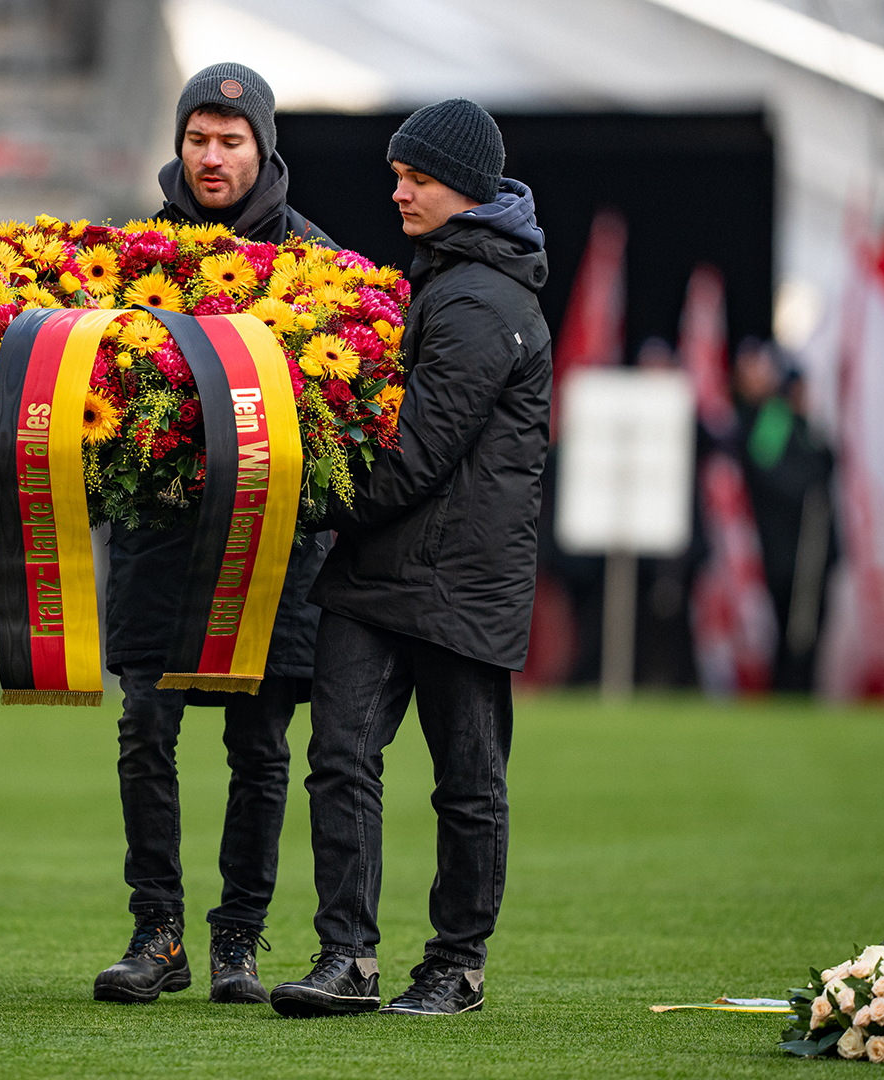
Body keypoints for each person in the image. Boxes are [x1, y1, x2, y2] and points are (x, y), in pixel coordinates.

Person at [269, 99, 550, 1018]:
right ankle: (347, 957)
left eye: (414, 177)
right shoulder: (444, 281)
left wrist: (303, 497)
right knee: (341, 756)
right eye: (397, 174)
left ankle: (457, 965)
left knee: (467, 782)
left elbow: (417, 455)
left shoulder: (481, 298)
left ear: (463, 188)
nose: (397, 191)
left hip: (458, 580)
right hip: (382, 572)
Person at [92, 62, 336, 1008]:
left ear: (263, 148)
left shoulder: (320, 263)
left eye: (231, 140)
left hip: (271, 547)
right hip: (158, 539)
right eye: (198, 137)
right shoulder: (130, 254)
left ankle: (237, 942)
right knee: (147, 726)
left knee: (258, 742)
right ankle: (157, 935)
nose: (211, 156)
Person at [734, 345, 835, 693]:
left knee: (807, 625)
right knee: (794, 625)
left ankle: (800, 686)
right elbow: (770, 473)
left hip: (810, 546)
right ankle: (790, 687)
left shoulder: (807, 424)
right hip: (789, 547)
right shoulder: (776, 419)